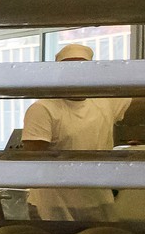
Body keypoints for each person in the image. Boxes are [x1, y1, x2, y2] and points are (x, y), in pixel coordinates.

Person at [19, 42, 131, 221]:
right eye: (69, 69)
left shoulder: (105, 102)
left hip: (98, 201)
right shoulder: (43, 108)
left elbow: (142, 96)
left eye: (82, 69)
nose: (76, 75)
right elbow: (34, 161)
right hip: (52, 204)